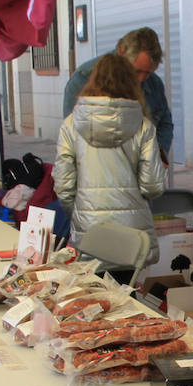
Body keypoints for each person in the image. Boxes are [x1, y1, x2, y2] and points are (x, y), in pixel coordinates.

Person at [55, 53, 165, 264]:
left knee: (90, 293)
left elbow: (63, 187)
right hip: (132, 237)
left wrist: (80, 213)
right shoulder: (144, 126)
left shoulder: (70, 125)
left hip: (90, 234)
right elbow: (153, 186)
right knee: (129, 295)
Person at [63, 27, 173, 162]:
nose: (141, 79)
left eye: (148, 73)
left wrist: (160, 154)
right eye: (137, 71)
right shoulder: (83, 79)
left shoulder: (154, 84)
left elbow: (165, 123)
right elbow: (71, 139)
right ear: (122, 52)